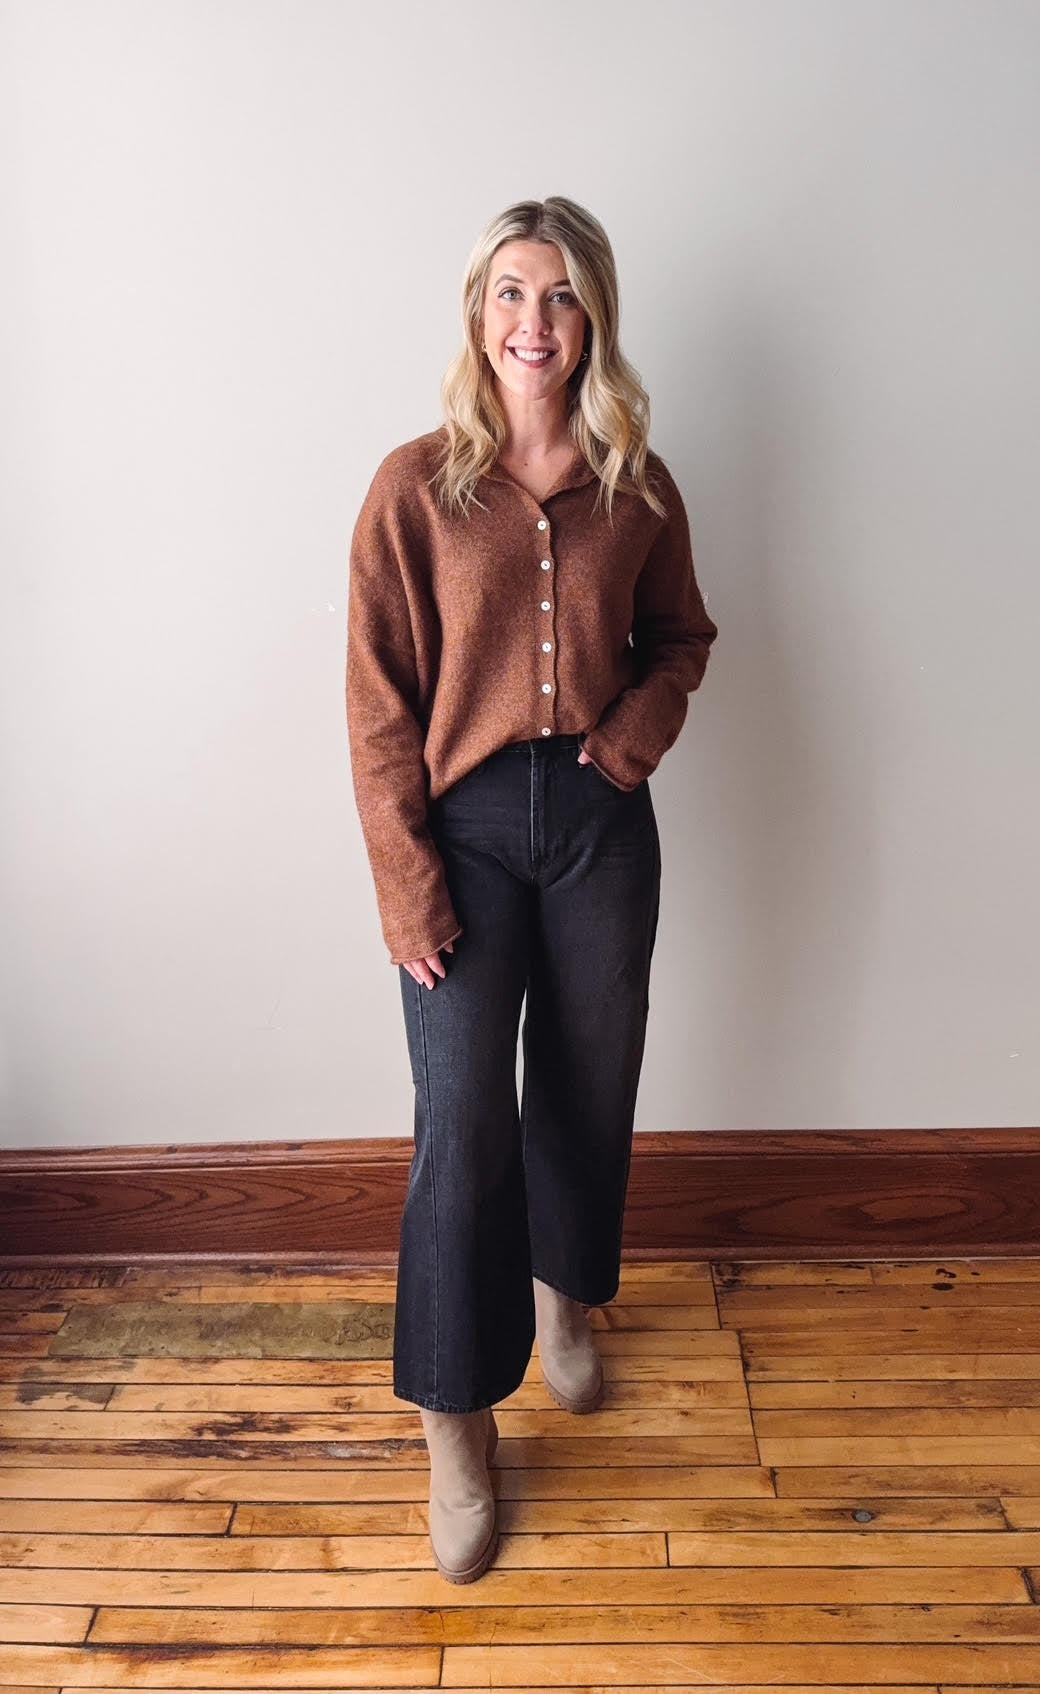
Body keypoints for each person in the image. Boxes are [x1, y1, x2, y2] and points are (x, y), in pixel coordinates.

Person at [346, 195, 717, 1583]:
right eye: (511, 293)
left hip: (604, 827)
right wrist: (404, 881)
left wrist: (628, 750)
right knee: (461, 1127)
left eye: (559, 298)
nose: (533, 324)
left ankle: (568, 1304)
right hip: (470, 829)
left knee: (584, 1079)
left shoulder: (640, 480)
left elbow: (682, 637)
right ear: (476, 311)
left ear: (593, 320)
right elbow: (378, 703)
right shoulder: (414, 487)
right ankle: (456, 1422)